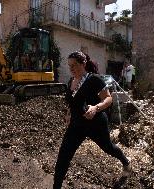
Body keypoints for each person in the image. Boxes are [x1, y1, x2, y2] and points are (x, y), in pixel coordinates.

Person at [53, 51, 131, 188]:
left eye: (74, 65)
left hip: (96, 123)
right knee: (63, 156)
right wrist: (68, 114)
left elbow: (108, 98)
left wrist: (96, 108)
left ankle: (126, 162)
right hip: (77, 125)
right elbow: (73, 102)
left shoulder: (94, 79)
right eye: (69, 65)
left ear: (83, 64)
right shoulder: (71, 81)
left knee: (109, 148)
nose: (71, 69)